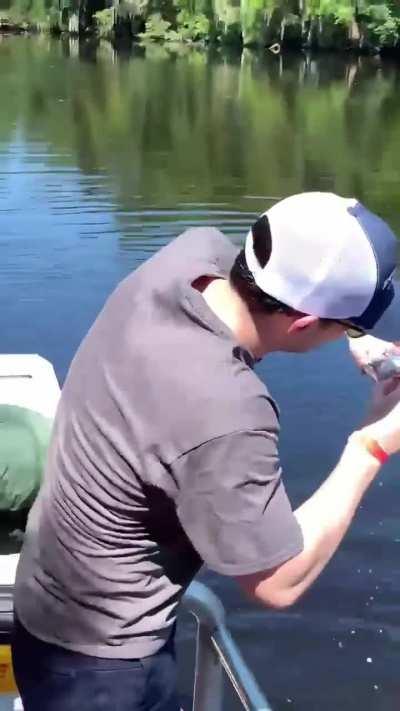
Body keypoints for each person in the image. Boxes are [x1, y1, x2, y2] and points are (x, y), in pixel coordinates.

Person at [11, 192, 400, 711]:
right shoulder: (227, 411)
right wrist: (371, 444)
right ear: (305, 322)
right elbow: (278, 582)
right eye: (349, 326)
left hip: (45, 604)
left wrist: (359, 336)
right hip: (101, 666)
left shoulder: (189, 256)